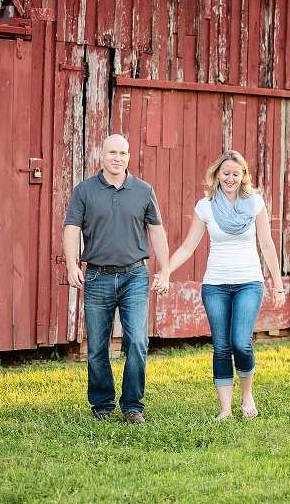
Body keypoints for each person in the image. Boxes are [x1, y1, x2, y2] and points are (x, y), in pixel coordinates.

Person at [153, 150, 285, 420]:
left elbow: (267, 244)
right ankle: (225, 409)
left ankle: (247, 395)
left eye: (236, 174)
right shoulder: (206, 206)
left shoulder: (255, 203)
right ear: (217, 174)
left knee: (241, 343)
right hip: (215, 285)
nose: (230, 178)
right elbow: (188, 247)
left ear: (243, 175)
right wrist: (166, 271)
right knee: (222, 347)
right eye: (226, 173)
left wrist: (277, 283)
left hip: (249, 283)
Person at [63, 134, 170, 424]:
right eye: (112, 152)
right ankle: (102, 405)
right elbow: (71, 228)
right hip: (97, 276)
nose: (117, 158)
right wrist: (72, 265)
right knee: (98, 346)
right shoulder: (84, 191)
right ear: (101, 155)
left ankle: (133, 406)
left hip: (135, 275)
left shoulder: (144, 190)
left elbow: (156, 230)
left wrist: (165, 269)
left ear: (128, 156)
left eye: (123, 153)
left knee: (137, 341)